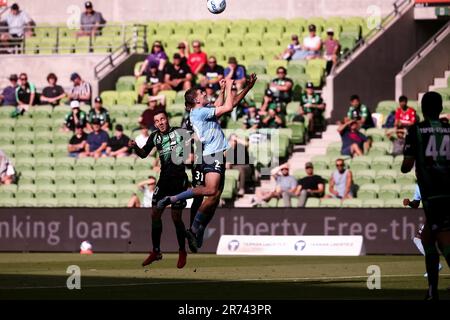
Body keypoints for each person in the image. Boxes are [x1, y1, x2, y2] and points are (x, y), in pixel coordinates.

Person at [158, 75, 257, 253]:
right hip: (212, 155)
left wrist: (245, 88)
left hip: (213, 154)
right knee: (211, 191)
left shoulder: (201, 111)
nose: (205, 94)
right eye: (202, 93)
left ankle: (197, 231)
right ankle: (174, 201)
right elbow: (227, 106)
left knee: (215, 197)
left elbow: (226, 104)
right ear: (196, 99)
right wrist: (228, 87)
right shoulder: (199, 112)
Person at [401, 91, 450, 300]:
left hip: (433, 193)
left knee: (442, 242)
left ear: (422, 108)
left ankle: (433, 292)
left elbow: (407, 166)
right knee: (428, 239)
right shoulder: (448, 129)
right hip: (448, 190)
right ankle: (432, 291)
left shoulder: (416, 130)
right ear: (440, 108)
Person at [128, 111, 190, 269]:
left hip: (179, 181)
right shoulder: (155, 137)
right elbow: (143, 155)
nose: (160, 122)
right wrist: (135, 146)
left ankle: (182, 251)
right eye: (157, 121)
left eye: (162, 119)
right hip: (164, 181)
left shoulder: (179, 132)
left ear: (167, 119)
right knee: (155, 213)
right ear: (155, 124)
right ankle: (156, 251)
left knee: (176, 217)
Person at [403, 185, 444, 278]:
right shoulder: (419, 186)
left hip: (438, 216)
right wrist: (409, 203)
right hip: (433, 217)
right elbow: (416, 204)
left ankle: (435, 266)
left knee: (419, 239)